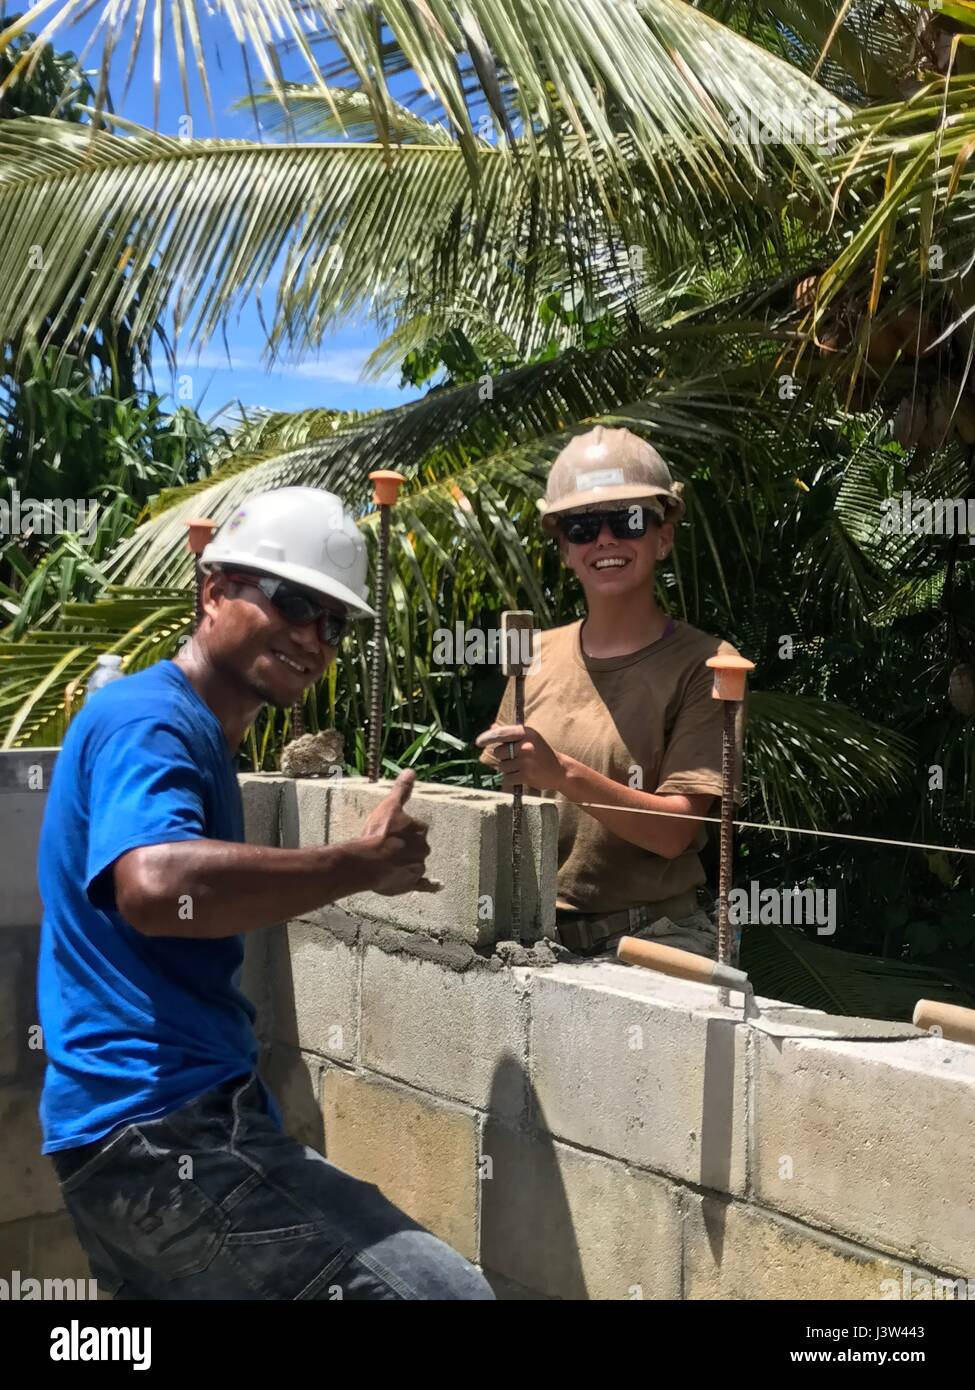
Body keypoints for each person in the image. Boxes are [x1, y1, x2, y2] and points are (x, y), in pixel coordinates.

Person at [37, 486, 494, 1301]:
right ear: (215, 591)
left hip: (126, 1140)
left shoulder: (193, 732)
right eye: (291, 602)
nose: (312, 637)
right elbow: (154, 887)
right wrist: (357, 864)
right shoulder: (151, 720)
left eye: (333, 622)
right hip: (160, 1129)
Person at [476, 428, 743, 960]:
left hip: (655, 941)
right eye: (581, 527)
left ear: (663, 538)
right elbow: (504, 805)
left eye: (629, 521)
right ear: (565, 550)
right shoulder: (536, 653)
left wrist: (563, 774)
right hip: (535, 937)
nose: (604, 540)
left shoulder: (708, 663)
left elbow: (676, 831)